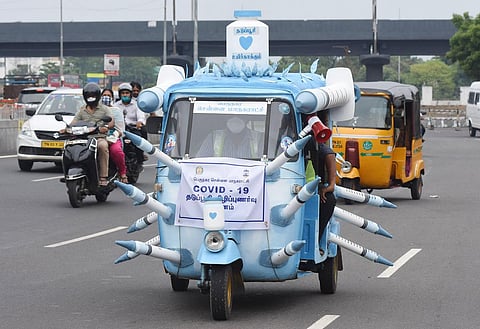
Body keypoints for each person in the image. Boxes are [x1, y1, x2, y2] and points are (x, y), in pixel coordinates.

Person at [70, 83, 114, 186]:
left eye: (93, 96)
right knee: (70, 147)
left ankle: (103, 176)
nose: (91, 98)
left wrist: (106, 127)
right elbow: (74, 122)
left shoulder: (104, 109)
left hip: (98, 138)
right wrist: (67, 128)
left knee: (103, 146)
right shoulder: (82, 110)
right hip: (84, 139)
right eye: (88, 96)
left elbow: (111, 121)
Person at [196, 116, 262, 158]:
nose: (235, 117)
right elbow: (199, 164)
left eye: (240, 115)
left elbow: (268, 166)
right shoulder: (213, 138)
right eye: (231, 115)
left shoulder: (260, 138)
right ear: (225, 117)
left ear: (247, 117)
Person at [114, 82, 147, 164]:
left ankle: (140, 159)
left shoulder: (136, 105)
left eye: (127, 93)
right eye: (123, 93)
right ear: (120, 94)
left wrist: (140, 122)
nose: (125, 95)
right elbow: (112, 117)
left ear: (130, 94)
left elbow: (141, 116)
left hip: (132, 129)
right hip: (119, 130)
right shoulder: (115, 105)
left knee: (139, 140)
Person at [101, 88, 128, 183]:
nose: (106, 98)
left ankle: (122, 173)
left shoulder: (116, 111)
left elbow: (121, 130)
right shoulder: (96, 111)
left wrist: (113, 136)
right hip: (98, 138)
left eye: (108, 96)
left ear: (112, 98)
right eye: (104, 95)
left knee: (116, 151)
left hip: (113, 138)